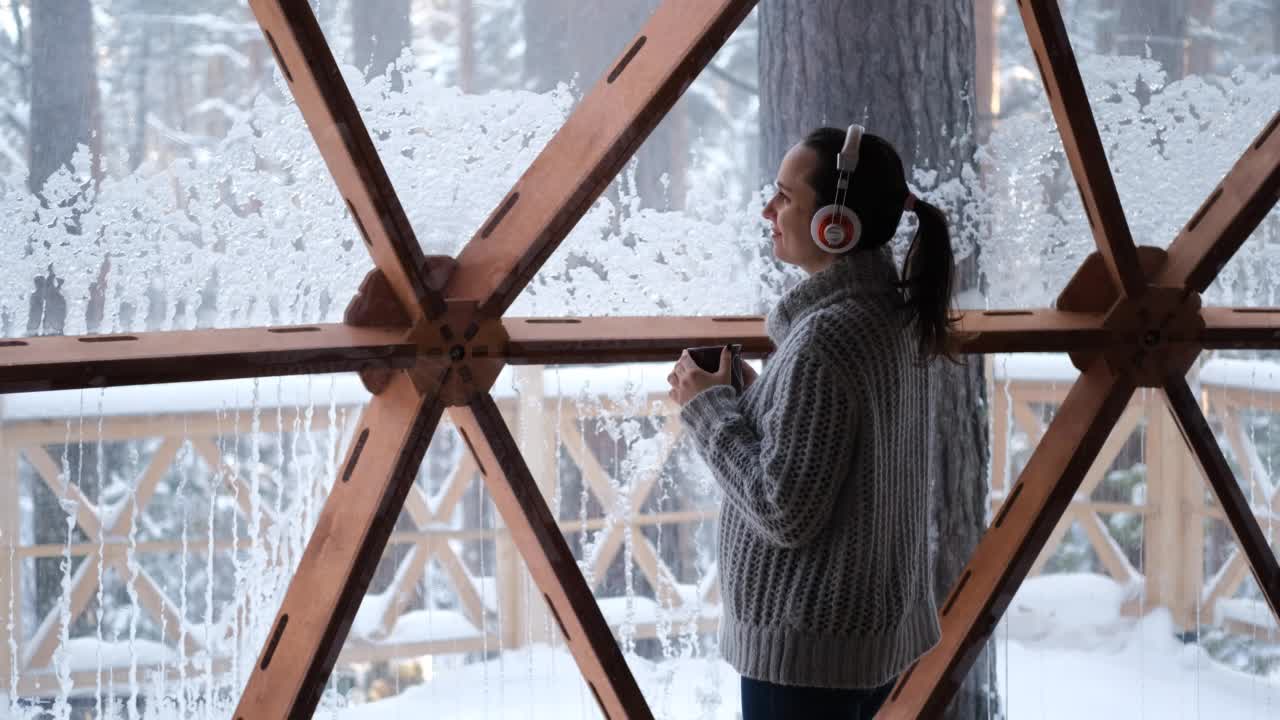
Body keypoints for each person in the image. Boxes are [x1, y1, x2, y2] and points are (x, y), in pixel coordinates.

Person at [666, 125, 955, 719]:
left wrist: (708, 408)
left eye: (784, 197)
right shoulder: (890, 314)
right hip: (859, 634)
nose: (767, 211)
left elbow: (784, 508)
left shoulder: (827, 336)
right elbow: (837, 449)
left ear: (835, 223)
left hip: (806, 649)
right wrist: (756, 394)